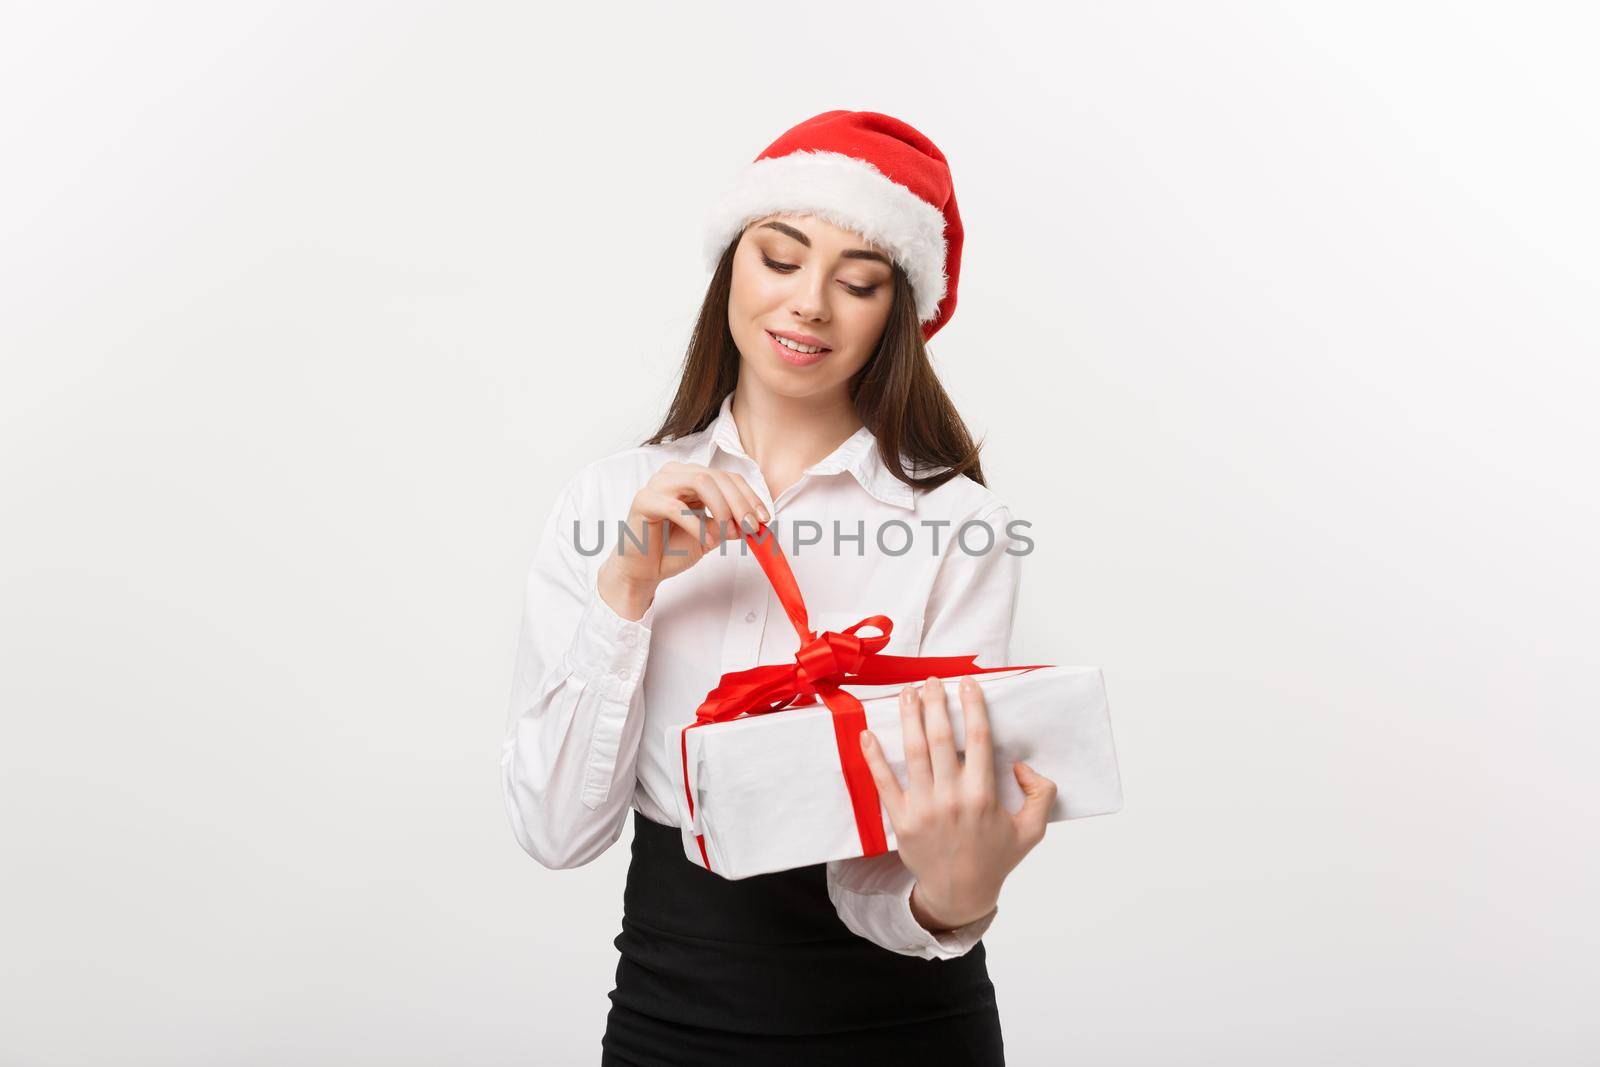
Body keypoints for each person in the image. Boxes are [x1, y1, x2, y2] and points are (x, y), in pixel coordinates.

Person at [501, 110, 1058, 1066]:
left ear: (897, 311)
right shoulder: (607, 499)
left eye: (857, 282)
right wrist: (626, 588)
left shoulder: (958, 525)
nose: (809, 305)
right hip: (668, 1021)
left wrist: (956, 896)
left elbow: (895, 883)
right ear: (732, 265)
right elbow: (557, 832)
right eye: (780, 258)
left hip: (906, 1027)